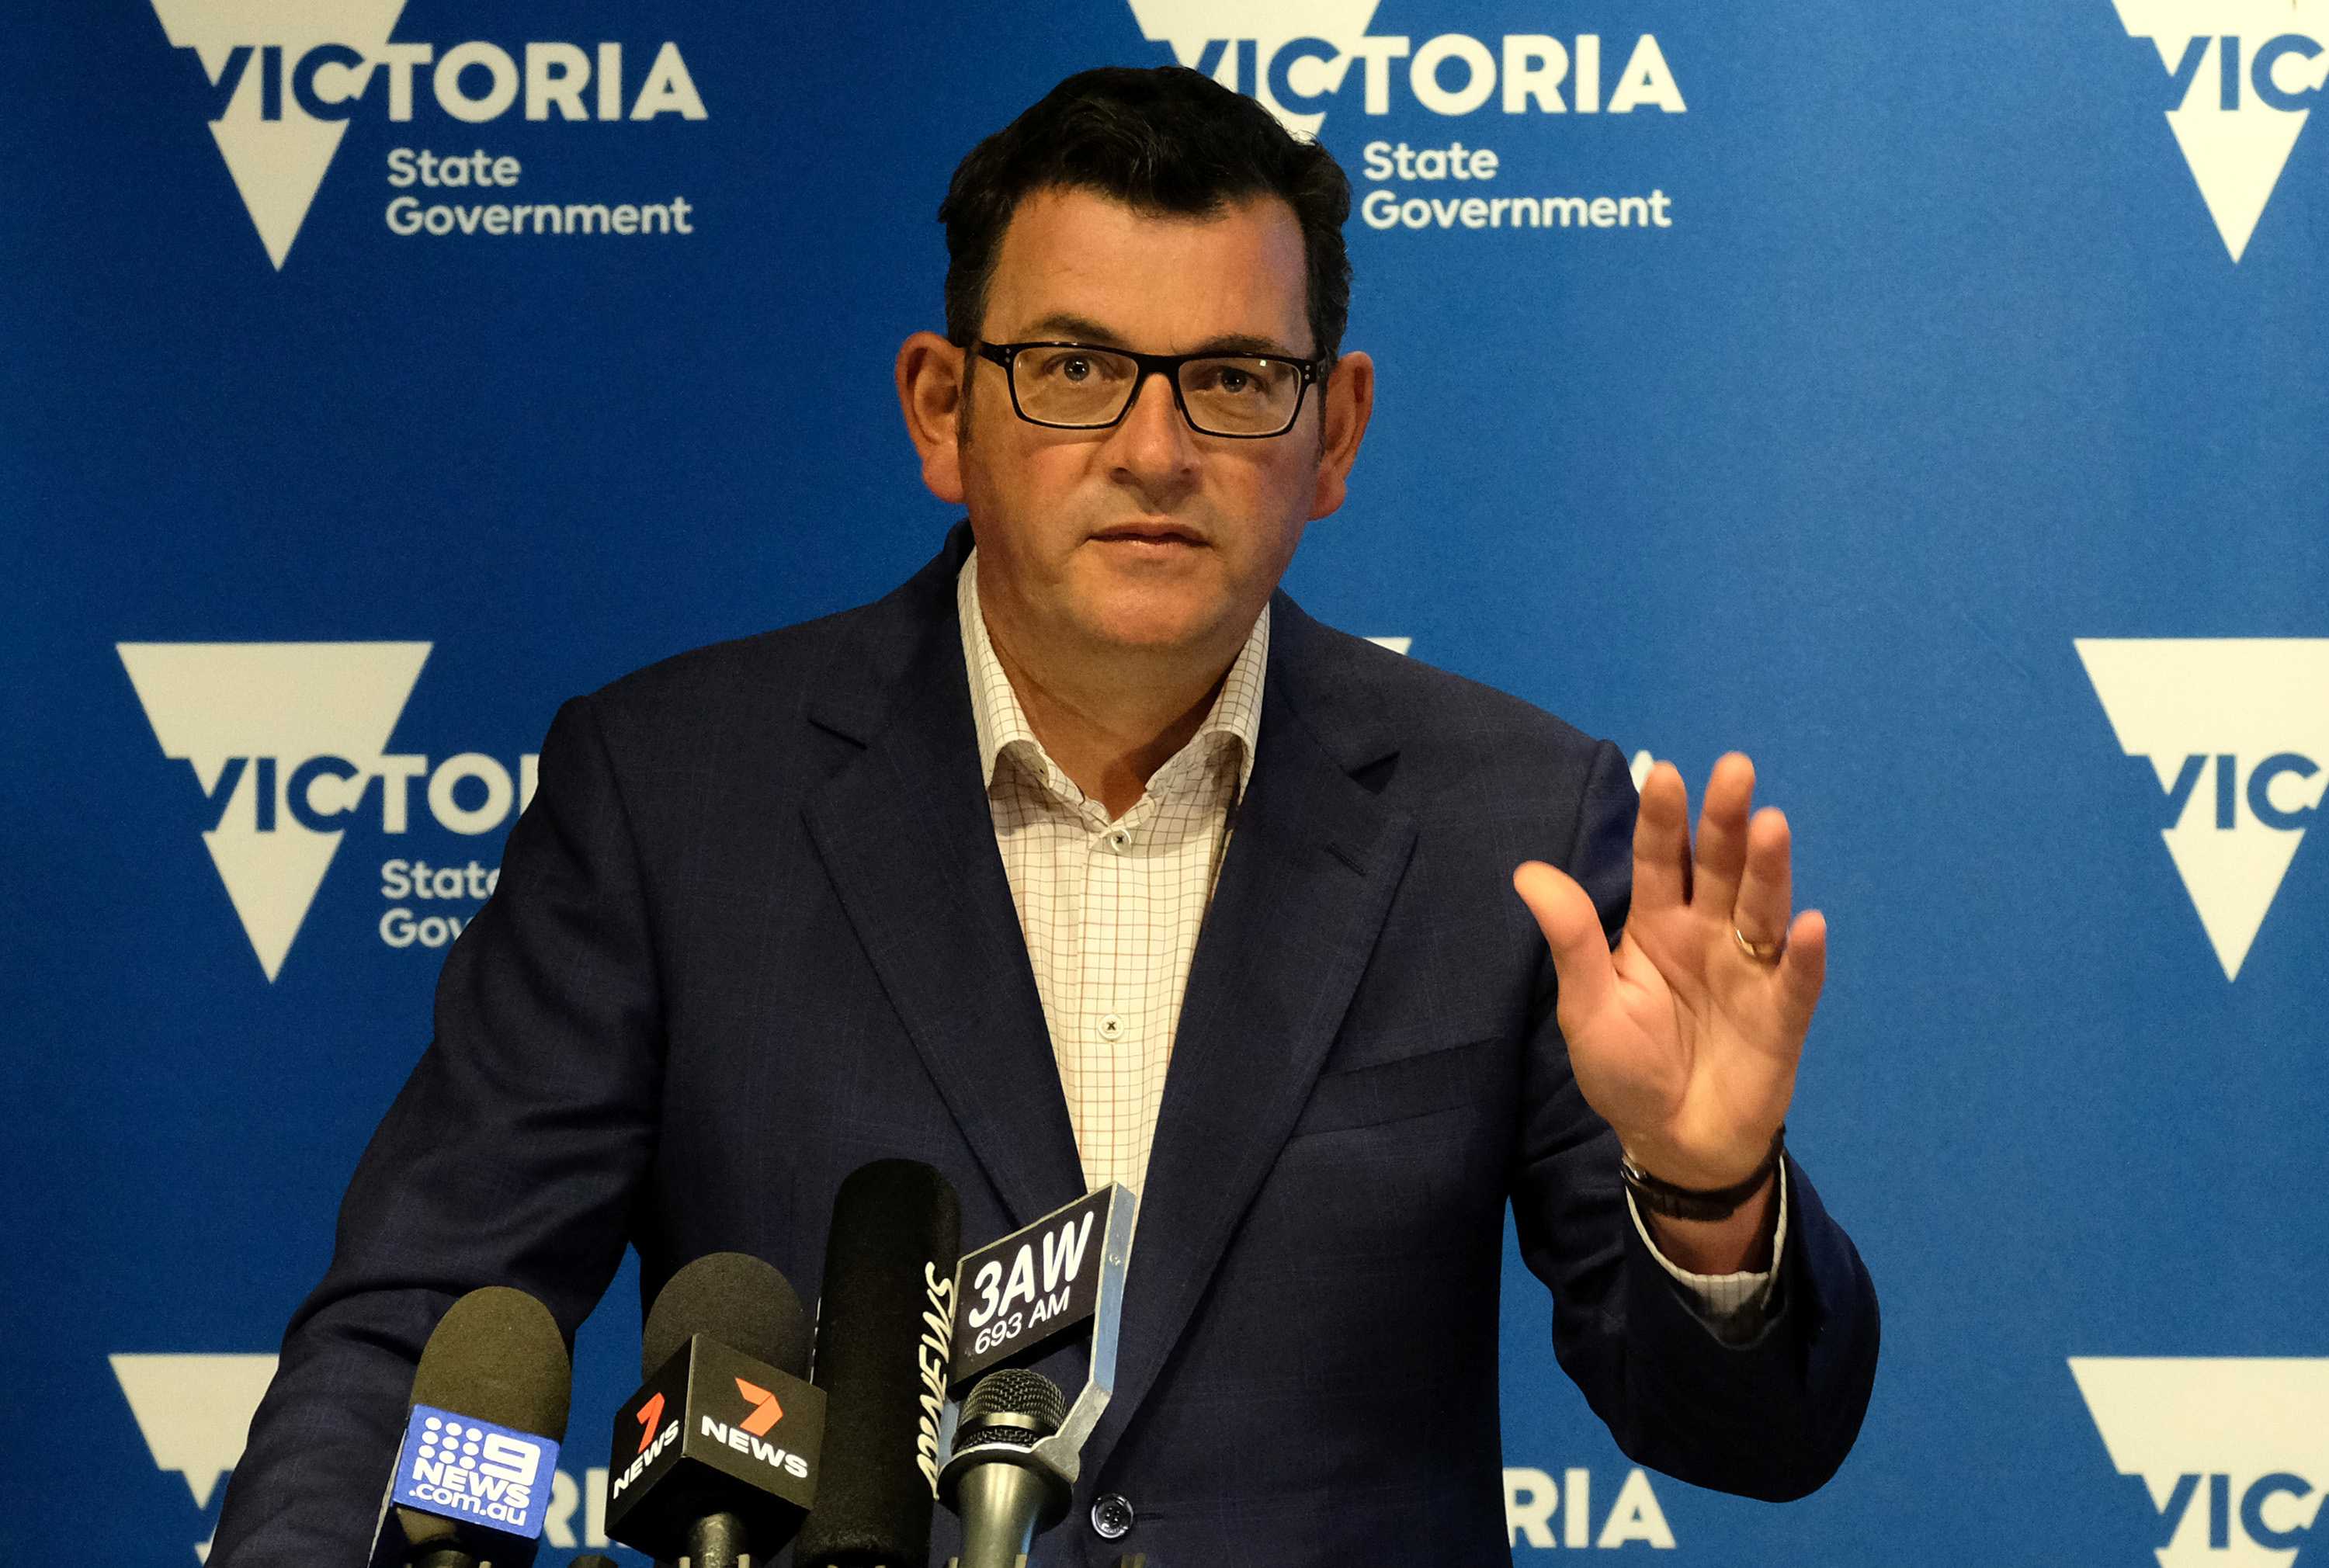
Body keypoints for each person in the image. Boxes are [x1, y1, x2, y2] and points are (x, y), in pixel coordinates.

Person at [212, 64, 1877, 1567]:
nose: (1154, 449)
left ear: (1335, 432)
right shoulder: (671, 799)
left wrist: (1710, 1197)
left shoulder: (1510, 822)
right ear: (944, 409)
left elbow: (1750, 1437)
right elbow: (426, 1325)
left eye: (1234, 377)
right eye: (1076, 368)